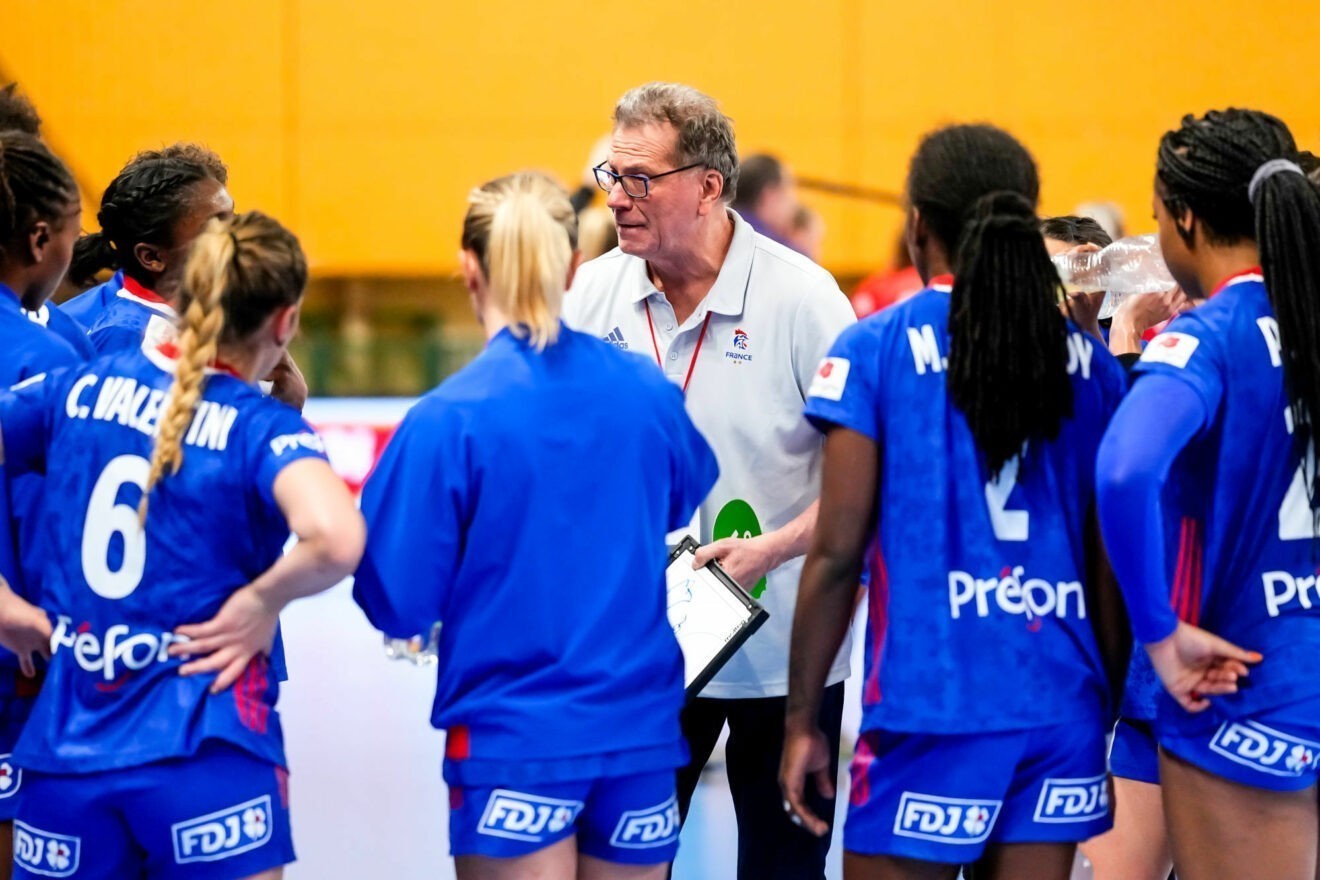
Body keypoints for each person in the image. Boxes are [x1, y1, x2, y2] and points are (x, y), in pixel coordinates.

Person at [782, 124, 1129, 880]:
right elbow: (1108, 558)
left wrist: (801, 721)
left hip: (933, 704)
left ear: (916, 224)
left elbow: (838, 553)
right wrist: (1104, 696)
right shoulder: (1092, 363)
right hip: (1059, 703)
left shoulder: (874, 350)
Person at [353, 171, 717, 880]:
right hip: (638, 732)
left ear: (467, 269)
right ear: (574, 265)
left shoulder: (447, 419)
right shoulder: (646, 392)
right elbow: (678, 504)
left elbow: (395, 598)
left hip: (511, 738)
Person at [0, 210, 362, 880]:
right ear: (283, 322)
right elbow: (337, 538)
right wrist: (261, 604)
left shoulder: (73, 387)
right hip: (205, 749)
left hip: (64, 757)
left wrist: (5, 606)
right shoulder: (257, 427)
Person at [563, 82, 856, 880]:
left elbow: (868, 480)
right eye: (610, 176)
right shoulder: (592, 297)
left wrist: (775, 548)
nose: (618, 198)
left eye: (640, 179)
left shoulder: (804, 301)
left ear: (708, 186)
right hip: (642, 655)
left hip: (790, 654)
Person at [1096, 108, 1320, 880]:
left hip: (1245, 683)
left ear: (1185, 218)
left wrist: (1159, 635)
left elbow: (1123, 470)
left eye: (1158, 216)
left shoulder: (1214, 335)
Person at [0, 129, 82, 877]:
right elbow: (55, 529)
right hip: (18, 668)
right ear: (38, 237)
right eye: (71, 237)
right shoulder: (47, 358)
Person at [67, 145, 233, 352]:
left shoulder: (194, 302)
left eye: (233, 221)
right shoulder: (130, 340)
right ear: (152, 257)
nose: (237, 237)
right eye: (213, 229)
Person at [730, 153, 798, 247]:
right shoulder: (784, 252)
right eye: (787, 193)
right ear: (770, 196)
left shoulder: (717, 229)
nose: (793, 204)